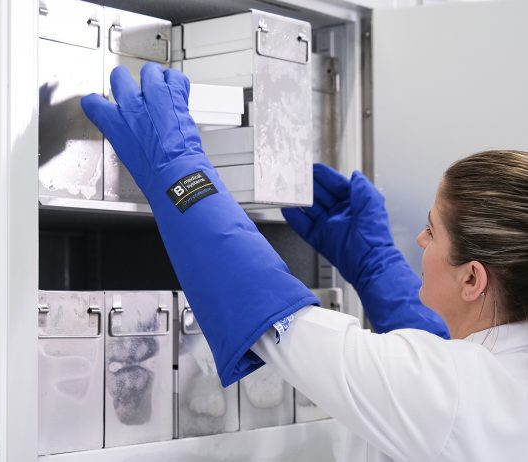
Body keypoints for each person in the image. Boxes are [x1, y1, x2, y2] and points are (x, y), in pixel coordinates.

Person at [81, 63, 528, 461]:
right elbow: (437, 368)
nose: (419, 239)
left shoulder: (456, 396)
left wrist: (179, 172)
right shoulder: (491, 383)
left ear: (472, 279)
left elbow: (277, 321)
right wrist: (375, 265)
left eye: (432, 230)